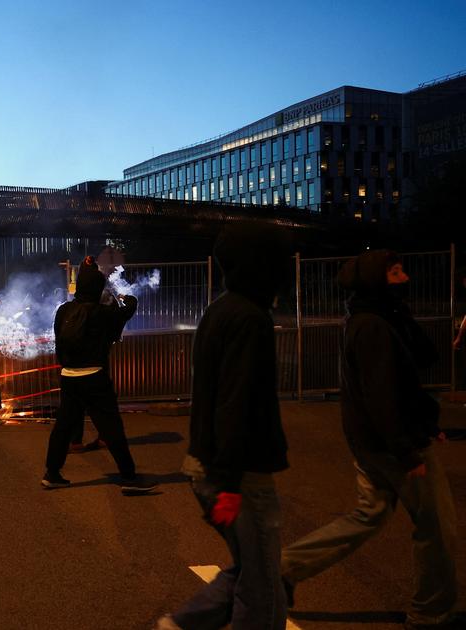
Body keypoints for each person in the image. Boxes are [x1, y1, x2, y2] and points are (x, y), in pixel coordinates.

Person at [280, 251, 457, 630]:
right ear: (376, 280)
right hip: (394, 446)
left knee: (368, 516)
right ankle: (430, 612)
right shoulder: (372, 326)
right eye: (395, 272)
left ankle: (283, 569)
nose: (404, 277)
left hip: (374, 443)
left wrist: (427, 422)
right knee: (437, 529)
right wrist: (409, 452)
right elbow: (383, 395)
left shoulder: (378, 319)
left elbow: (416, 368)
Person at [159, 225, 292, 630]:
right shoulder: (249, 318)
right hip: (240, 475)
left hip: (214, 467)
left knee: (256, 570)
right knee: (264, 587)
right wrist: (231, 485)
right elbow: (237, 404)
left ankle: (186, 623)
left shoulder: (222, 309)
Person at [42, 256, 157, 495]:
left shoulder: (63, 311)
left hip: (68, 376)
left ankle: (52, 474)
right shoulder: (102, 313)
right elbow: (128, 310)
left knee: (63, 428)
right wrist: (127, 297)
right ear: (97, 288)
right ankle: (129, 478)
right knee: (112, 428)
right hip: (94, 377)